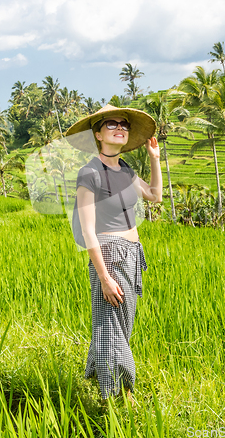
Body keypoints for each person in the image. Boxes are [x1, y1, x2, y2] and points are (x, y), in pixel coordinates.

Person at [65, 104, 162, 400]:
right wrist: (104, 276)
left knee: (120, 326)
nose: (120, 127)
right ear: (97, 133)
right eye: (111, 124)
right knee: (111, 328)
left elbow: (155, 196)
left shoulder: (127, 171)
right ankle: (120, 396)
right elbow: (88, 231)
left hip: (132, 254)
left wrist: (154, 159)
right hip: (109, 255)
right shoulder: (90, 173)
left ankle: (101, 383)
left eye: (124, 124)